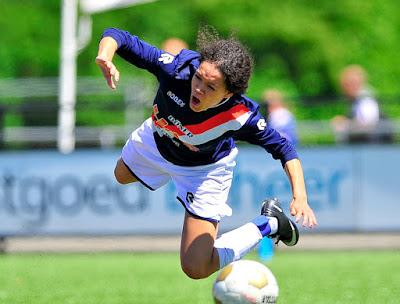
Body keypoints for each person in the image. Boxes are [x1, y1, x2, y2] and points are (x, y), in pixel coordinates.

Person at [96, 26, 318, 280]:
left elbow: (285, 149)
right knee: (121, 175)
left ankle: (270, 223)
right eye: (199, 77)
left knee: (196, 267)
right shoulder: (176, 70)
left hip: (204, 170)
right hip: (158, 139)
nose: (198, 88)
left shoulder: (240, 116)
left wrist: (300, 196)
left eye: (211, 86)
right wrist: (106, 55)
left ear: (229, 93)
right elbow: (119, 35)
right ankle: (168, 161)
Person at [258, 89, 299, 261]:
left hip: (277, 164)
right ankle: (270, 240)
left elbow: (280, 141)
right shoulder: (286, 115)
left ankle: (268, 243)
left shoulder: (279, 115)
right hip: (282, 164)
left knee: (268, 205)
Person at [332, 65, 392, 143]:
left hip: (372, 146)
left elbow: (368, 124)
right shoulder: (356, 100)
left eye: (347, 84)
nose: (344, 89)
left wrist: (345, 125)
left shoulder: (366, 98)